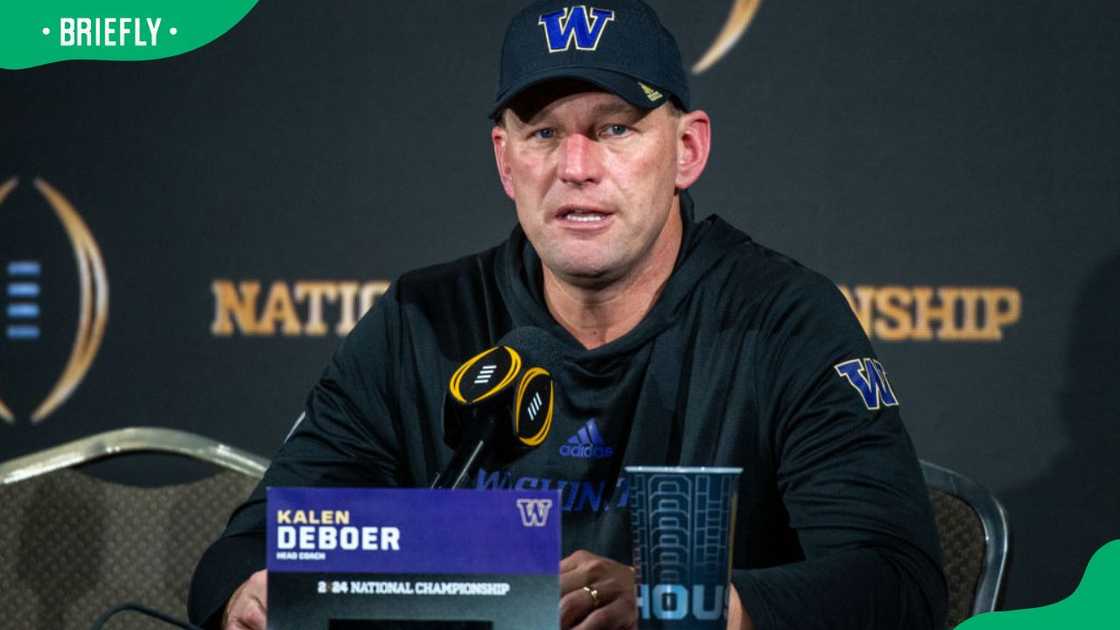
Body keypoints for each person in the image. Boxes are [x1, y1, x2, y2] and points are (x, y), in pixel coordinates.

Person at [189, 1, 947, 628]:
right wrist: (246, 597)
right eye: (543, 131)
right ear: (503, 159)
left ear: (687, 150)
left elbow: (900, 586)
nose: (576, 167)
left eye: (615, 128)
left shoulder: (784, 322)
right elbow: (249, 546)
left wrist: (685, 608)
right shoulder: (422, 321)